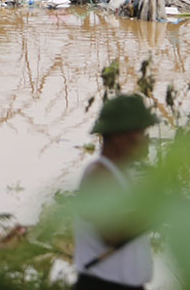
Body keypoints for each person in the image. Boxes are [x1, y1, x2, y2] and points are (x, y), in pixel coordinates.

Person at [73, 93, 158, 290]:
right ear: (119, 136)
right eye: (140, 132)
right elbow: (110, 234)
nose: (145, 139)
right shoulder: (99, 175)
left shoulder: (122, 175)